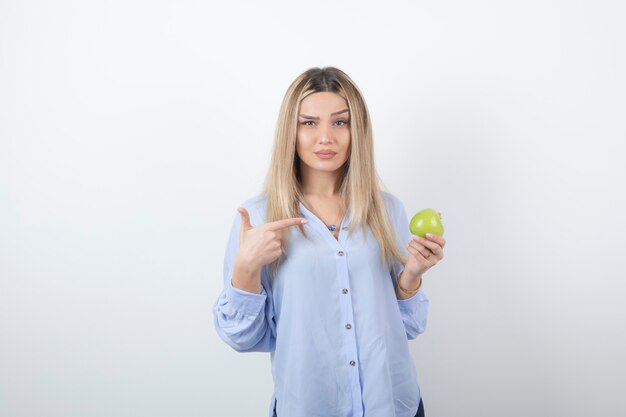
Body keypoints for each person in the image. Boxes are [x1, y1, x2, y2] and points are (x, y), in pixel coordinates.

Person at [213, 67, 446, 417]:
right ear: (290, 131)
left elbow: (409, 327)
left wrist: (411, 275)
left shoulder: (386, 210)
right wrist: (246, 268)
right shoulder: (259, 218)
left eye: (340, 122)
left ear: (357, 131)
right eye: (309, 123)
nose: (326, 137)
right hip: (310, 405)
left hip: (393, 403)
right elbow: (242, 338)